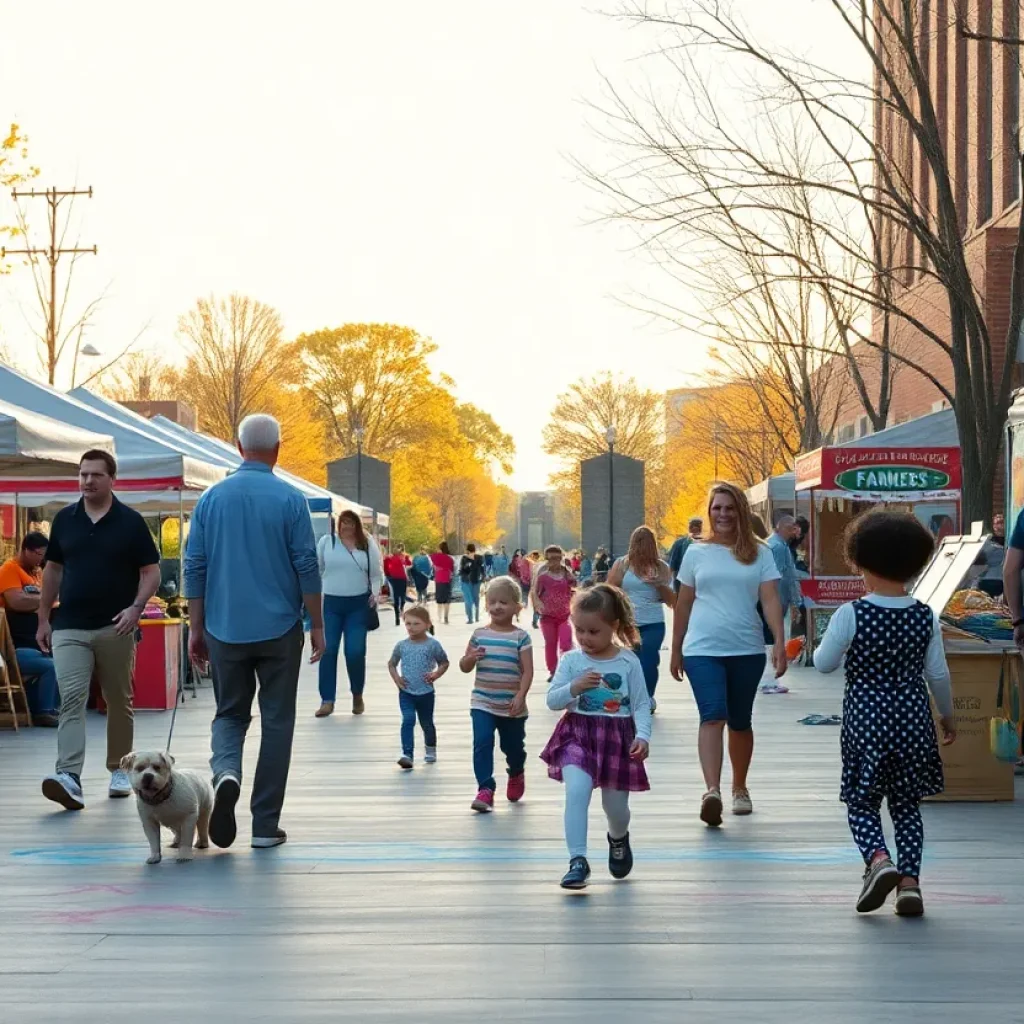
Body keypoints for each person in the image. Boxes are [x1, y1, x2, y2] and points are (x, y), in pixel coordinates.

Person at [185, 415, 324, 850]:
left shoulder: (210, 499)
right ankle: (265, 825)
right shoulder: (291, 499)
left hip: (224, 628)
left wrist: (196, 627)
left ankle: (227, 772)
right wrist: (317, 622)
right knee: (278, 722)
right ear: (278, 448)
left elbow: (195, 566)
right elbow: (306, 564)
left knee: (230, 714)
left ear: (237, 446)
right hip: (280, 628)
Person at [815, 510, 956, 916]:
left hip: (866, 722)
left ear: (860, 561)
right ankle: (909, 884)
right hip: (913, 721)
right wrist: (947, 717)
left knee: (862, 802)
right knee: (907, 805)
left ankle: (878, 861)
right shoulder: (924, 616)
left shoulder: (852, 614)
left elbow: (824, 663)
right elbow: (938, 675)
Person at [37, 450, 161, 810]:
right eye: (83, 474)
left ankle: (120, 769)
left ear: (112, 479)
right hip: (70, 626)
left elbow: (150, 571)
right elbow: (53, 571)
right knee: (72, 697)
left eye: (95, 475)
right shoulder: (64, 519)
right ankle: (69, 776)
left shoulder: (130, 522)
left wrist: (136, 609)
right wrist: (44, 617)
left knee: (118, 699)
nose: (87, 481)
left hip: (116, 627)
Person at [670, 482, 787, 825]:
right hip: (702, 649)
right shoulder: (695, 553)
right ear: (709, 512)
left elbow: (770, 600)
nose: (722, 514)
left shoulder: (761, 553)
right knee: (713, 714)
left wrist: (779, 643)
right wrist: (676, 649)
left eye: (729, 508)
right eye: (716, 508)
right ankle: (712, 791)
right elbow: (684, 604)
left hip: (746, 649)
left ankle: (739, 787)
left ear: (741, 512)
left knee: (739, 720)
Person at [541, 583, 652, 890]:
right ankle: (578, 860)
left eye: (593, 631)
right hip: (578, 734)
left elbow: (642, 703)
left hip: (617, 738)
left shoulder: (628, 661)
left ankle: (618, 838)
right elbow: (552, 701)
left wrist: (642, 735)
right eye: (580, 631)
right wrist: (574, 688)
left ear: (613, 626)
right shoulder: (572, 661)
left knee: (615, 808)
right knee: (576, 792)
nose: (586, 639)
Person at [459, 575, 533, 812]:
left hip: (511, 704)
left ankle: (516, 771)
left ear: (516, 607)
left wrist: (520, 696)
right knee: (482, 741)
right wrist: (470, 658)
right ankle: (485, 788)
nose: (497, 607)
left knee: (512, 747)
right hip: (482, 701)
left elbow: (528, 671)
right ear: (486, 604)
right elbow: (464, 666)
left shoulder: (520, 637)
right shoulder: (479, 634)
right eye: (492, 602)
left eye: (504, 602)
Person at [315, 509, 383, 717]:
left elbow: (376, 574)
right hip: (331, 604)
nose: (347, 527)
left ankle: (357, 694)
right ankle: (327, 700)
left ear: (357, 525)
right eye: (343, 523)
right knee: (328, 650)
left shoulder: (367, 544)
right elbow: (318, 570)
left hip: (358, 604)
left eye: (351, 523)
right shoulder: (327, 542)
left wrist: (375, 593)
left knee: (354, 651)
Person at [608, 526, 674, 710]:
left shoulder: (661, 567)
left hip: (653, 622)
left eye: (646, 544)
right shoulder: (622, 564)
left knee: (649, 660)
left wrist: (659, 584)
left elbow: (672, 601)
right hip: (628, 622)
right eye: (638, 543)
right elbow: (610, 589)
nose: (642, 548)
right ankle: (631, 695)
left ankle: (647, 697)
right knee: (630, 660)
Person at [0, 531, 59, 726]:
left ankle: (50, 707)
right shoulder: (9, 569)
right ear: (26, 550)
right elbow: (17, 601)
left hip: (37, 643)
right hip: (16, 647)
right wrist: (45, 600)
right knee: (51, 666)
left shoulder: (36, 573)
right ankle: (43, 712)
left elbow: (39, 601)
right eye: (39, 554)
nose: (42, 559)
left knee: (64, 660)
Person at [387, 605, 449, 770]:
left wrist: (436, 674)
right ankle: (407, 754)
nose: (411, 628)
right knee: (408, 720)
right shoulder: (402, 645)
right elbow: (392, 663)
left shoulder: (432, 644)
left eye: (416, 624)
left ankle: (430, 749)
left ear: (427, 624)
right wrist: (397, 679)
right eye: (408, 624)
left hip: (426, 693)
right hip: (406, 692)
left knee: (426, 722)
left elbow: (444, 662)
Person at [762, 515, 802, 695]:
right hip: (778, 601)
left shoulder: (779, 545)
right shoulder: (777, 547)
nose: (796, 531)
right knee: (774, 640)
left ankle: (769, 679)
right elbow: (776, 578)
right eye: (793, 528)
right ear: (783, 528)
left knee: (772, 640)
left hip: (778, 600)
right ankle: (769, 680)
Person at [533, 545, 576, 682]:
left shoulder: (566, 574)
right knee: (550, 644)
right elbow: (535, 593)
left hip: (565, 615)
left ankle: (566, 669)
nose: (555, 561)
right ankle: (553, 671)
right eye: (551, 558)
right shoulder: (542, 577)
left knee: (566, 643)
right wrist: (538, 605)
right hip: (548, 617)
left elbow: (575, 588)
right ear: (546, 559)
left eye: (558, 558)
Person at [668, 518, 704, 593]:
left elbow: (672, 567)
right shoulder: (708, 544)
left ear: (689, 528)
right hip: (701, 583)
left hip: (682, 584)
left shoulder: (679, 543)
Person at [975, 513, 1005, 598]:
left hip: (1002, 580)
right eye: (996, 523)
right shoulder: (987, 542)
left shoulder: (1011, 541)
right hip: (987, 580)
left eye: (1001, 522)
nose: (999, 526)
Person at [383, 543, 411, 626]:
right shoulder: (403, 557)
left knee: (396, 596)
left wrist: (388, 575)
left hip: (394, 578)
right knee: (402, 596)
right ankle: (401, 608)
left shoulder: (389, 558)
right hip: (402, 578)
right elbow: (409, 563)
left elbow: (386, 568)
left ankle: (397, 617)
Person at [430, 542, 456, 624]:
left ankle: (439, 617)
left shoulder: (435, 557)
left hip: (439, 580)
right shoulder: (450, 558)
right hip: (447, 580)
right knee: (447, 599)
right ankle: (446, 617)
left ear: (440, 549)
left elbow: (431, 562)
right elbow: (452, 570)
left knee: (439, 600)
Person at [459, 543, 485, 623]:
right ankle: (473, 618)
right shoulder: (466, 558)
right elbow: (483, 570)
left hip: (470, 581)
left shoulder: (467, 558)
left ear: (467, 550)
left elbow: (463, 569)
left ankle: (472, 618)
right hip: (473, 581)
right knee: (473, 598)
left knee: (471, 599)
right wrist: (483, 579)